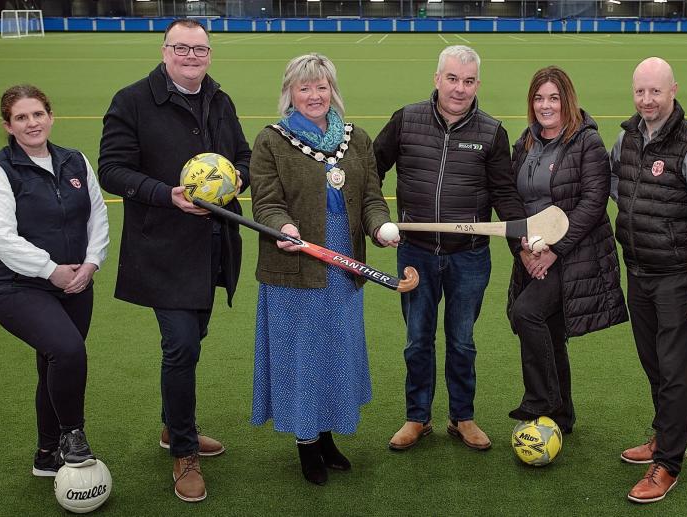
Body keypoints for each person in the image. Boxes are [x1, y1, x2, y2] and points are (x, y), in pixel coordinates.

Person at [98, 18, 251, 502]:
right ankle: (183, 449)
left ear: (210, 54)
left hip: (212, 245)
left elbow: (243, 156)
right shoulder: (132, 100)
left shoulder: (220, 100)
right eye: (181, 48)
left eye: (200, 49)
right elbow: (110, 169)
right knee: (181, 345)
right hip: (163, 247)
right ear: (164, 51)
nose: (191, 56)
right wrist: (166, 194)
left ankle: (171, 425)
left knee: (194, 338)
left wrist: (237, 179)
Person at [250, 53, 397, 486]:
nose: (314, 95)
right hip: (294, 267)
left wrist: (380, 226)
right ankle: (306, 443)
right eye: (304, 87)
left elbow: (371, 196)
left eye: (321, 86)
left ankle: (327, 436)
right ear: (289, 93)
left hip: (343, 266)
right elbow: (266, 202)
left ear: (332, 90)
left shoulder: (357, 138)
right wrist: (283, 227)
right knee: (302, 356)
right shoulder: (271, 140)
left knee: (335, 352)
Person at [374, 45, 526, 452]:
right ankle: (416, 418)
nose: (460, 89)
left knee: (462, 341)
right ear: (437, 78)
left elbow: (505, 194)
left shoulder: (492, 132)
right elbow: (371, 171)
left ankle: (463, 417)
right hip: (416, 253)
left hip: (470, 256)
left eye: (469, 81)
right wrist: (377, 220)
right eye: (453, 79)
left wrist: (522, 239)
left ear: (478, 84)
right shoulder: (405, 120)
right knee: (417, 340)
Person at [0, 85, 109, 477]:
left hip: (77, 283)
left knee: (53, 364)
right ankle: (73, 434)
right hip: (17, 287)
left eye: (37, 114)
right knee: (67, 352)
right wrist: (51, 269)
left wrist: (91, 263)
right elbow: (0, 236)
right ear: (8, 126)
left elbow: (96, 216)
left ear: (50, 116)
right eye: (21, 117)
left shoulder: (75, 160)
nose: (32, 123)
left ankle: (47, 454)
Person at [611, 57, 687, 504]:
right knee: (654, 364)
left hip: (678, 279)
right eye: (640, 92)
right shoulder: (627, 137)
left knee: (675, 374)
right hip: (638, 272)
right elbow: (606, 184)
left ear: (673, 89)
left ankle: (668, 464)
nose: (647, 100)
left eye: (655, 91)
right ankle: (663, 436)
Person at [506, 66, 627, 434]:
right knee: (550, 329)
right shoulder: (526, 141)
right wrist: (522, 250)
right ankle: (563, 415)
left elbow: (593, 202)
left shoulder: (586, 141)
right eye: (539, 98)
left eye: (553, 98)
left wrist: (554, 250)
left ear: (567, 100)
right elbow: (511, 199)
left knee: (527, 313)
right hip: (533, 252)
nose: (546, 106)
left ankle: (542, 401)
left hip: (575, 254)